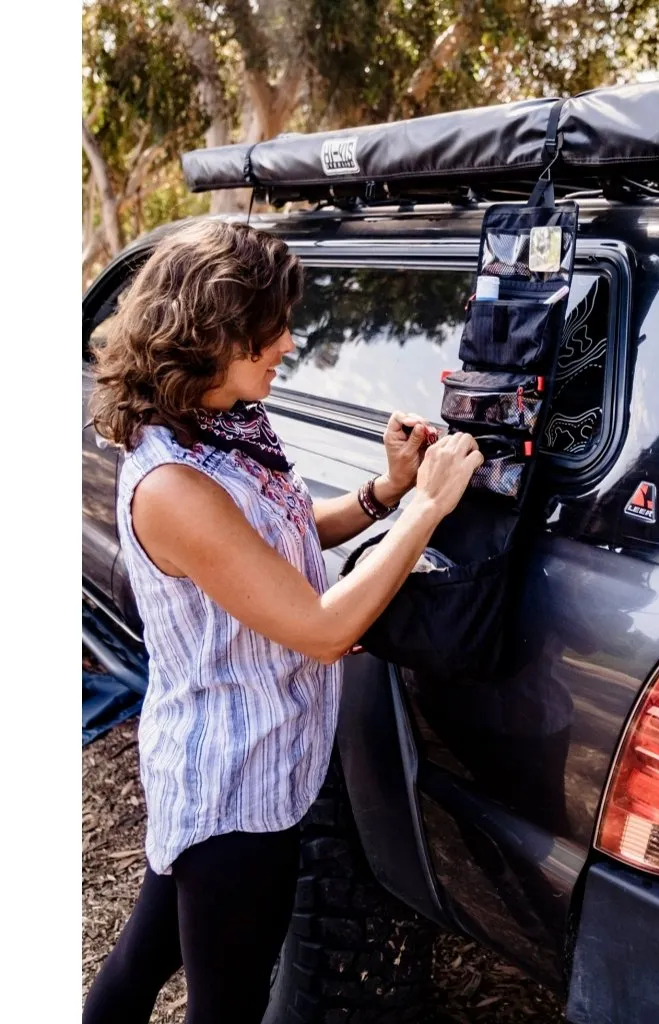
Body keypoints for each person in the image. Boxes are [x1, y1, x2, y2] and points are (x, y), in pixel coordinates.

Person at [82, 220, 483, 1024]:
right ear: (211, 334)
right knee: (221, 1006)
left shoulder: (222, 430)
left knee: (142, 958)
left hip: (226, 758)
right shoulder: (174, 486)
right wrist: (432, 508)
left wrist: (387, 490)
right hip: (233, 786)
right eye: (270, 330)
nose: (289, 342)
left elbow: (285, 536)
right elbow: (320, 626)